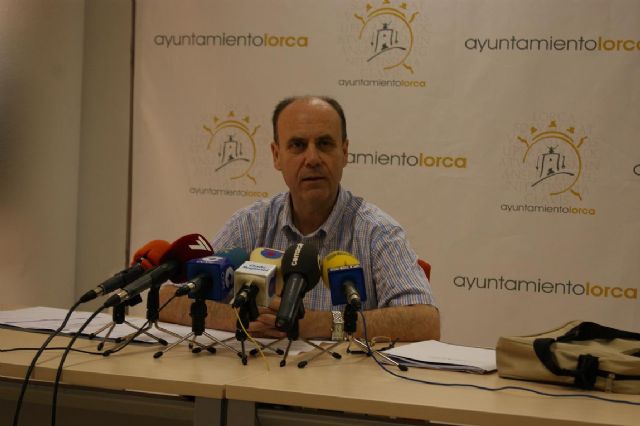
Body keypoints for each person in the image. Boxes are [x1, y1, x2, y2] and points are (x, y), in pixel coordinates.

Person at [159, 95, 440, 341]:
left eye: (325, 144)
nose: (312, 158)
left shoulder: (377, 231)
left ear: (344, 153)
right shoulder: (250, 224)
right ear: (276, 155)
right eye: (297, 145)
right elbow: (168, 299)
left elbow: (425, 322)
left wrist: (318, 324)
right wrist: (242, 319)